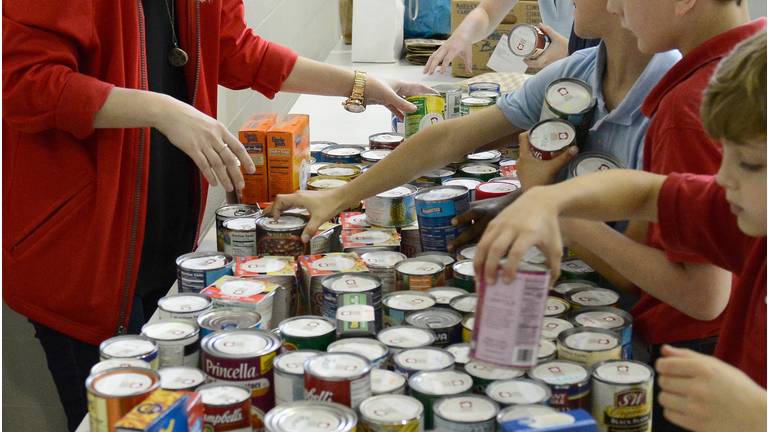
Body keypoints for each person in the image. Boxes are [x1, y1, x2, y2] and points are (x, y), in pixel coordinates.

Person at [2, 1, 436, 430]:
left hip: (162, 242)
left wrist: (362, 85)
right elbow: (22, 83)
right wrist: (163, 110)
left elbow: (237, 50)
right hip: (81, 256)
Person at [471, 31, 766, 431]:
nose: (724, 177)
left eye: (749, 164)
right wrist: (547, 200)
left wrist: (756, 415)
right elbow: (644, 192)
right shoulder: (746, 220)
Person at [270, 0, 677, 241]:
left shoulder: (672, 104)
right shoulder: (580, 70)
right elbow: (447, 140)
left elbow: (641, 275)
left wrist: (538, 199)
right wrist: (337, 196)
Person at [423, 0, 573, 74]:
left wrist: (571, 51)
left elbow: (596, 48)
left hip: (592, 75)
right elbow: (488, 11)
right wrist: (463, 34)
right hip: (562, 75)